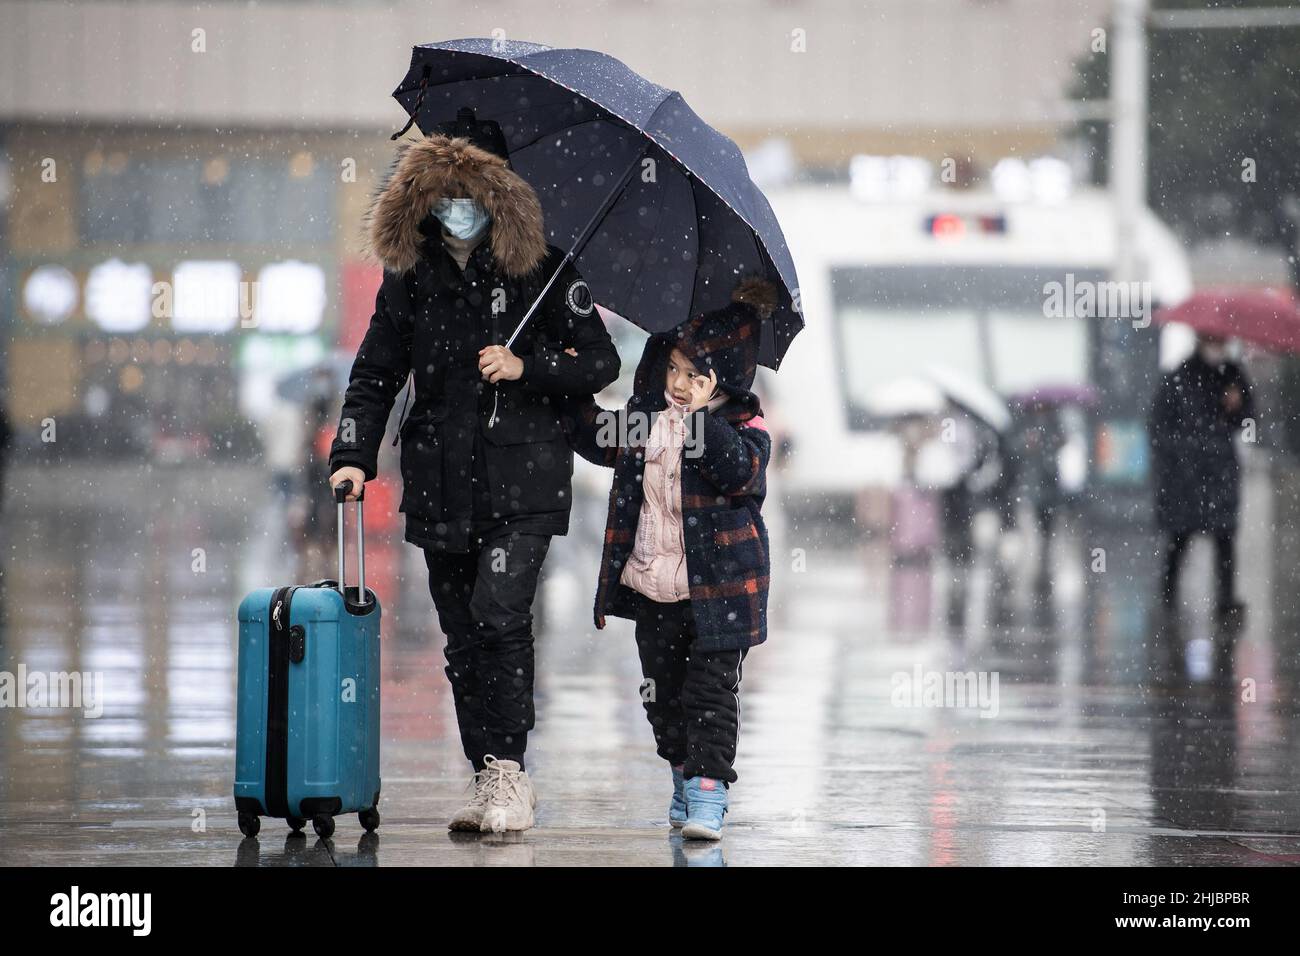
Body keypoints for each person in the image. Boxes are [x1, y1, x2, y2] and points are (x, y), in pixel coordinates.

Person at [328, 108, 620, 834]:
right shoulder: (412, 277)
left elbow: (601, 362)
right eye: (444, 193)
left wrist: (528, 366)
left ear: (498, 195)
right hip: (438, 482)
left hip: (524, 485)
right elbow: (375, 371)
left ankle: (511, 771)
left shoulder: (547, 269)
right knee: (460, 634)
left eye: (471, 192)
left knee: (499, 615)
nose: (457, 208)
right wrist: (352, 455)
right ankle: (486, 771)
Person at [562, 277, 775, 841]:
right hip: (655, 588)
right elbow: (593, 436)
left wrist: (701, 419)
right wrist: (561, 379)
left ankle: (709, 791)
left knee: (709, 694)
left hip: (722, 594)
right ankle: (682, 770)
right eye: (674, 369)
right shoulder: (645, 421)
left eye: (696, 375)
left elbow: (739, 475)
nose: (679, 385)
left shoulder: (744, 432)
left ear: (723, 379)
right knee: (661, 694)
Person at [1148, 333, 1254, 626]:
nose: (1216, 348)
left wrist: (1238, 406)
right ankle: (1167, 596)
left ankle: (1226, 601)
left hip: (1220, 473)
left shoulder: (1233, 376)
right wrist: (1180, 455)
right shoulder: (1180, 377)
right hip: (1187, 476)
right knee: (1180, 537)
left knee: (1224, 539)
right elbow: (1159, 425)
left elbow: (1248, 421)